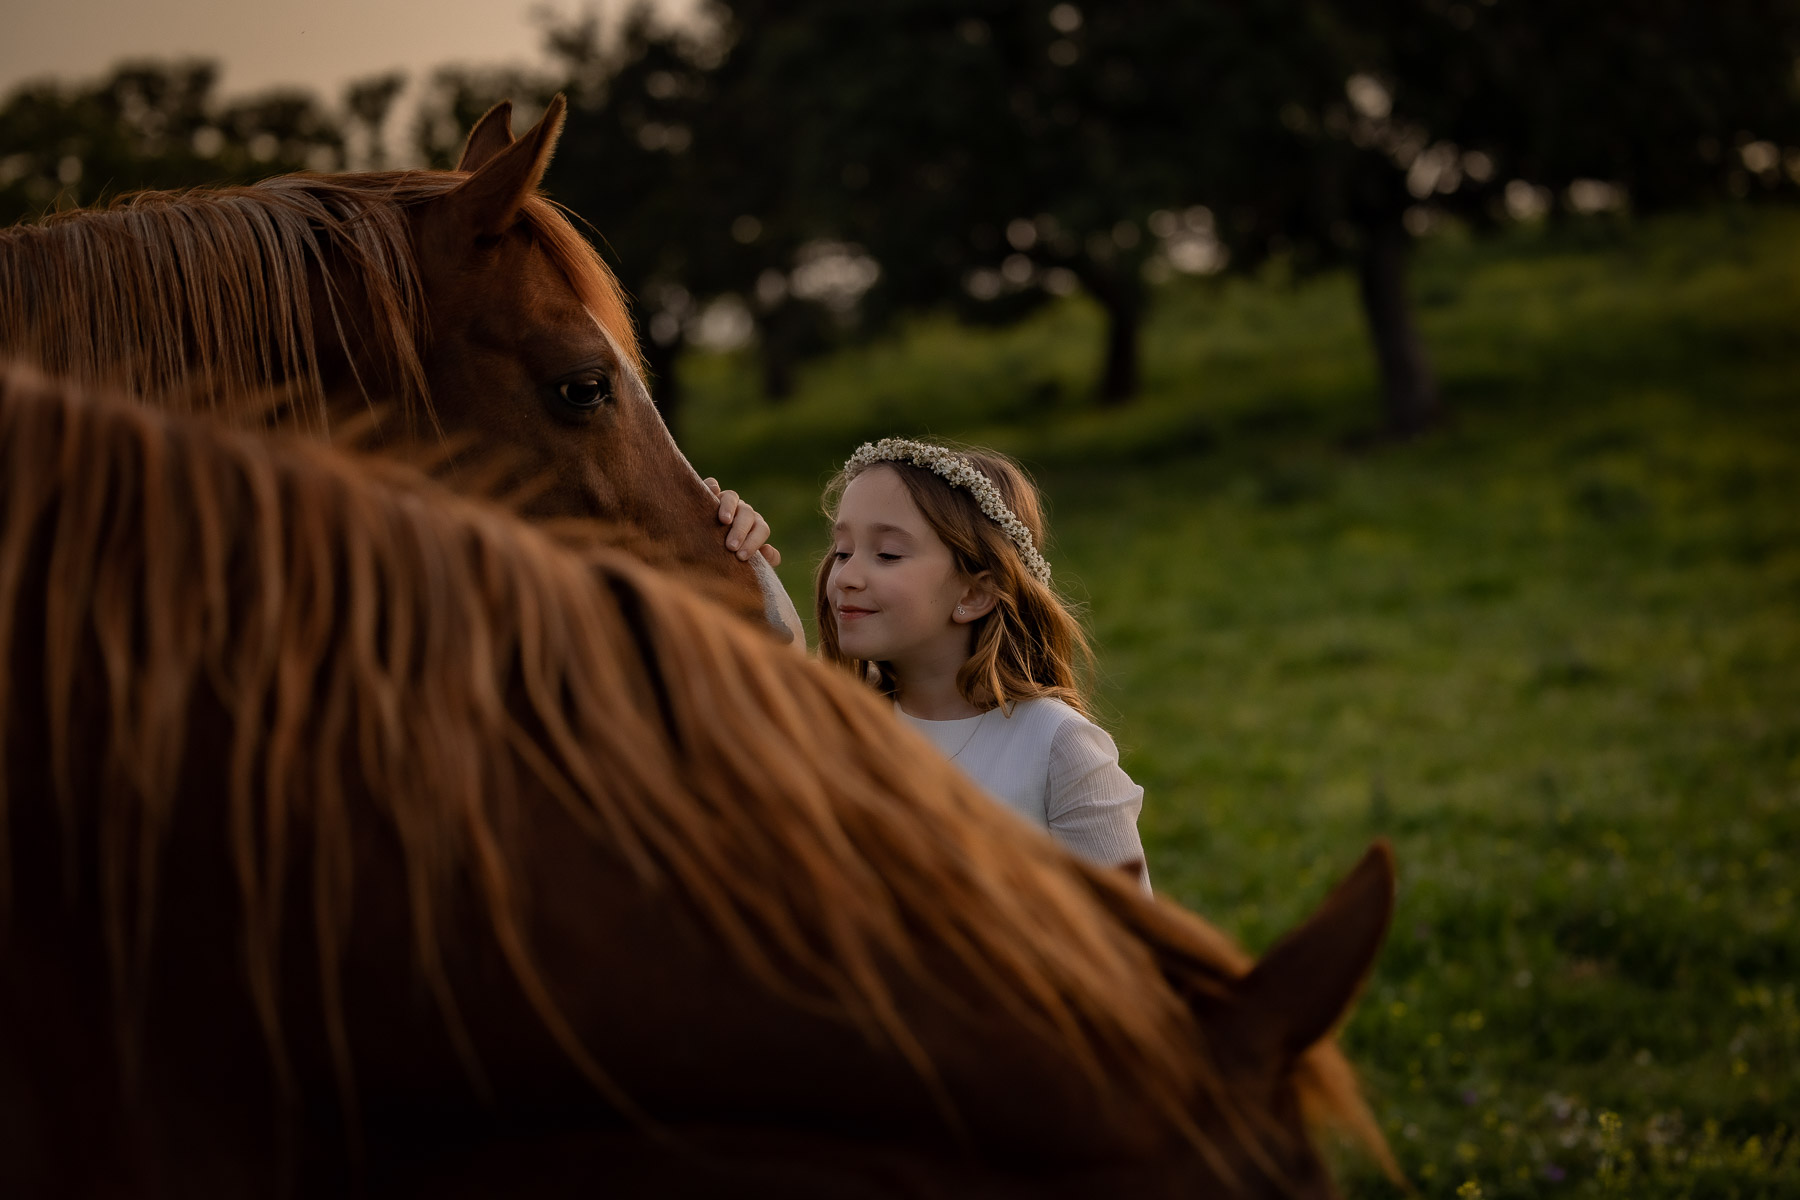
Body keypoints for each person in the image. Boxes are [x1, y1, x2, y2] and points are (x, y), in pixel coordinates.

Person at [710, 442, 1150, 891]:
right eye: (842, 551)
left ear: (974, 594)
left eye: (887, 555)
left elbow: (1135, 948)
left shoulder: (1055, 747)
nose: (845, 577)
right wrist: (720, 564)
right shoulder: (832, 720)